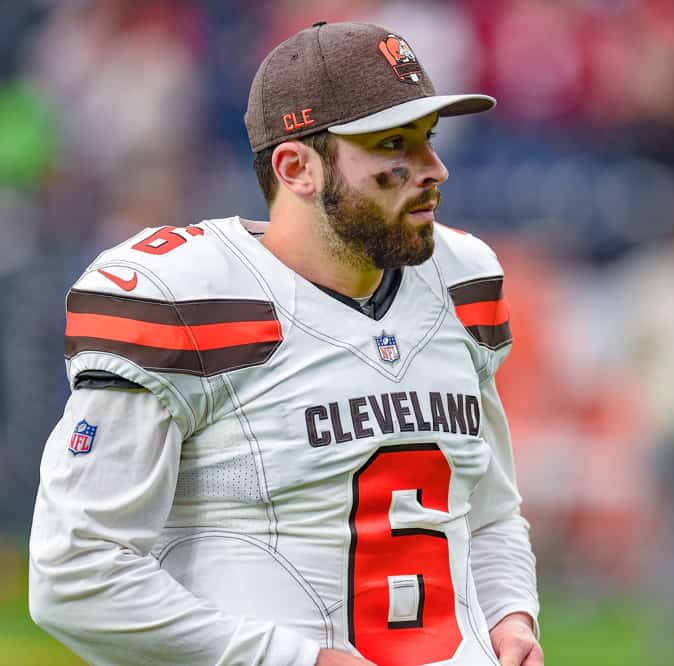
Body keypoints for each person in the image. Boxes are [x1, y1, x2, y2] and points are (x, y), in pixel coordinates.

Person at [28, 20, 542, 666]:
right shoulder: (189, 300)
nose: (434, 169)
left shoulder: (460, 281)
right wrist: (293, 660)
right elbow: (75, 577)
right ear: (296, 167)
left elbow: (489, 512)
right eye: (394, 145)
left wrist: (509, 614)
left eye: (428, 140)